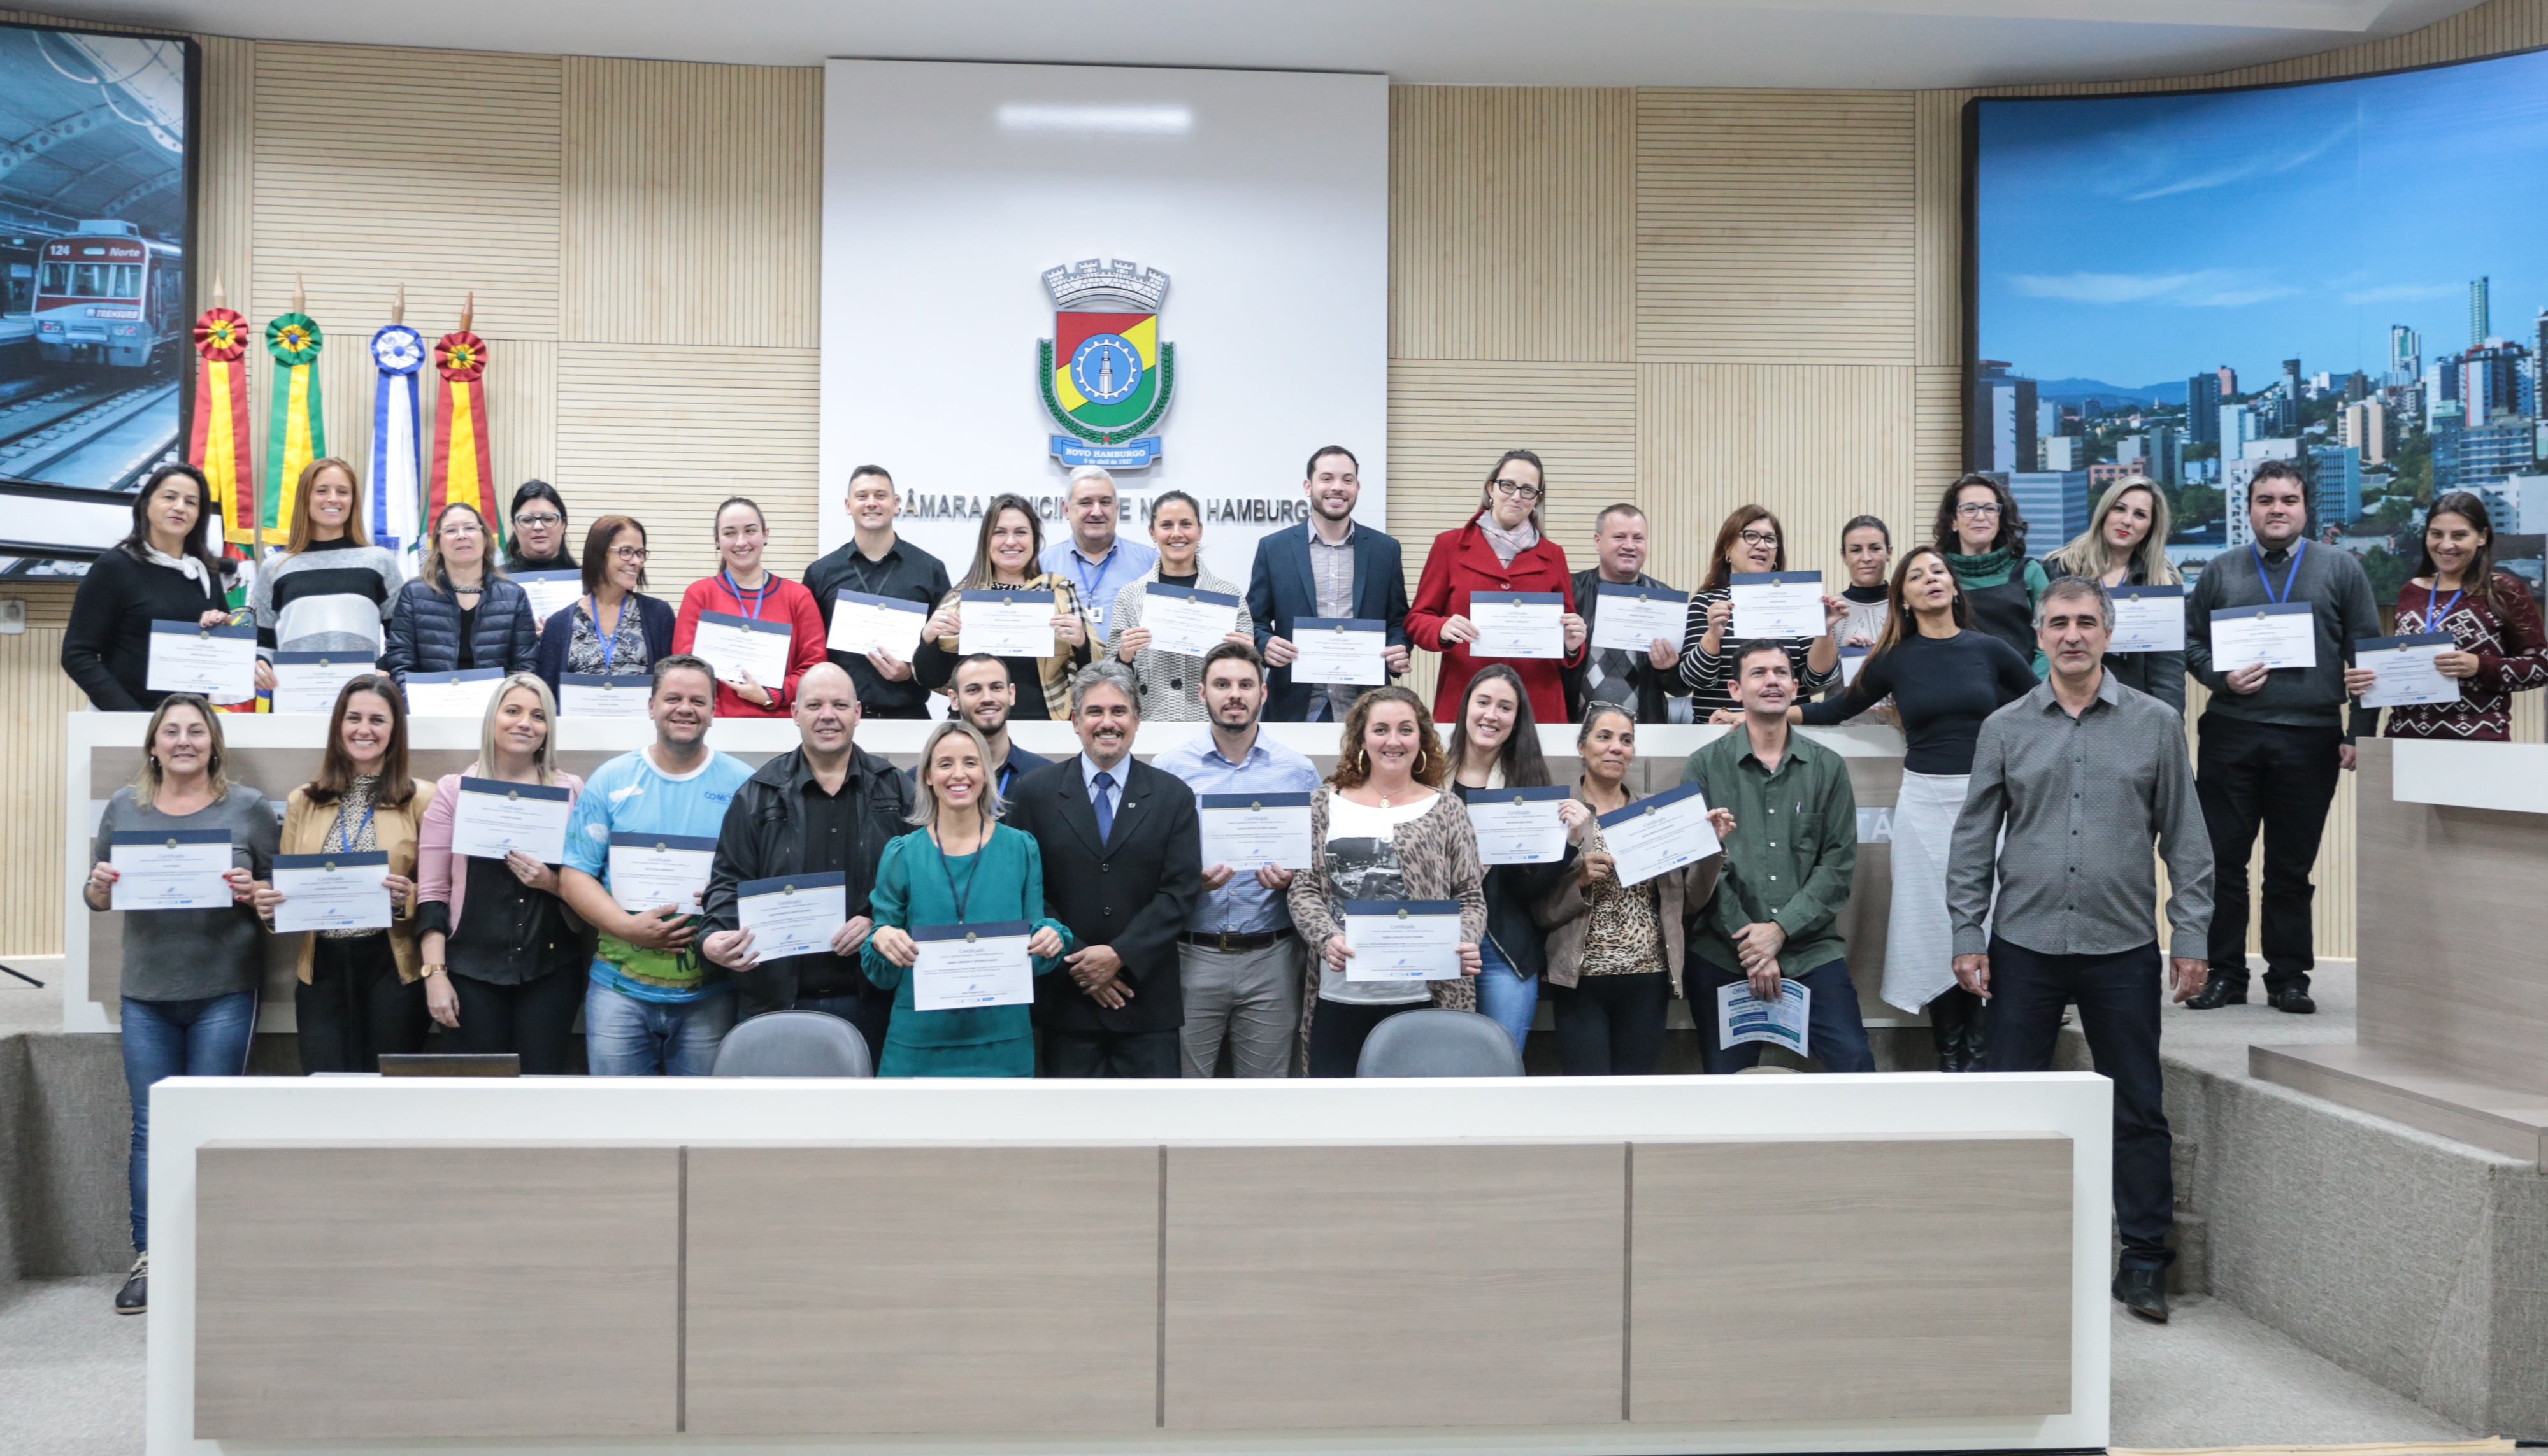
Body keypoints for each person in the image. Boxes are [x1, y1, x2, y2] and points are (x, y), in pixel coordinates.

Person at [1949, 575, 2214, 1325]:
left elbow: (2187, 843)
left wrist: (2190, 936)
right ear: (2038, 636)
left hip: (2120, 945)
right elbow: (1972, 840)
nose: (2072, 634)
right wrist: (1967, 932)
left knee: (2136, 1107)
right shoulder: (2004, 726)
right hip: (2023, 943)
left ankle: (2141, 1264)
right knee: (2012, 1105)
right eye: (2059, 622)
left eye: (2086, 622)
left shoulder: (2157, 723)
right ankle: (2012, 1248)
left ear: (2108, 633)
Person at [1797, 547, 2036, 1069]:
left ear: (1954, 586)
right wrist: (1767, 711)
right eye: (1917, 575)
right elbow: (1838, 708)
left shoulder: (1990, 650)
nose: (1931, 579)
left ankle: (1983, 1054)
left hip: (1986, 802)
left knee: (1990, 919)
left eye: (1939, 572)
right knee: (1932, 925)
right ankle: (1949, 1056)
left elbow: (2042, 703)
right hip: (1923, 803)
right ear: (1900, 596)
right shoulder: (1895, 657)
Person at [83, 694, 275, 1314]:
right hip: (146, 995)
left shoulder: (245, 809)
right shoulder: (123, 807)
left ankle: (211, 1252)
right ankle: (152, 1257)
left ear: (214, 743)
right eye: (172, 731)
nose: (185, 740)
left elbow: (282, 894)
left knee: (212, 1128)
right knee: (150, 1129)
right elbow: (100, 896)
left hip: (224, 989)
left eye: (197, 730)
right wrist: (96, 889)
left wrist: (257, 892)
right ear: (154, 744)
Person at [2182, 459, 2378, 1015]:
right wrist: (2221, 677)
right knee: (2224, 863)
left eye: (2288, 500)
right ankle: (2225, 973)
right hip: (2230, 734)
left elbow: (2365, 655)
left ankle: (2290, 978)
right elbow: (2191, 646)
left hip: (2311, 738)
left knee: (2291, 869)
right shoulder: (2220, 570)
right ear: (2248, 510)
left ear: (2305, 508)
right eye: (2265, 500)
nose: (2277, 509)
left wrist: (2359, 732)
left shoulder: (2342, 569)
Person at [699, 662, 915, 1059]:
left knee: (866, 1122)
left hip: (873, 998)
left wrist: (876, 921)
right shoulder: (758, 793)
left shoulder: (898, 790)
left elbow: (921, 887)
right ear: (795, 714)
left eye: (839, 704)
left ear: (858, 713)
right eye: (815, 705)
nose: (828, 715)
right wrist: (712, 938)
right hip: (776, 1000)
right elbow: (729, 881)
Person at [1680, 641, 1873, 1074]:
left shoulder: (1828, 767)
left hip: (1811, 950)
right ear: (1735, 690)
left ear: (1795, 686)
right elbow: (1702, 866)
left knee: (1856, 1066)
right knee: (1724, 1083)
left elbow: (1837, 866)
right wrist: (1754, 944)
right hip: (1725, 953)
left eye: (1781, 673)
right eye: (1759, 673)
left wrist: (1780, 931)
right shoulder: (1704, 767)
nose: (1772, 681)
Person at [554, 655, 754, 1074]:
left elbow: (761, 876)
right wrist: (627, 927)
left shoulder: (744, 785)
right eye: (673, 698)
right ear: (651, 707)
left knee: (702, 1128)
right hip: (618, 991)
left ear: (714, 711)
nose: (686, 708)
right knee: (618, 1125)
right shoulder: (611, 780)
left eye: (698, 700)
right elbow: (575, 875)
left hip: (711, 992)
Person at [1006, 661, 1201, 1076]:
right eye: (1095, 712)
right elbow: (1025, 890)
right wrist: (1079, 959)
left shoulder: (1173, 796)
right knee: (1072, 1138)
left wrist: (1120, 956)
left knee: (1153, 1136)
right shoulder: (1034, 793)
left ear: (1136, 720)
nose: (1107, 722)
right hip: (1065, 1002)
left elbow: (1180, 891)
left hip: (1147, 1003)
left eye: (1119, 711)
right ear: (1075, 721)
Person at [1287, 685, 1487, 1075]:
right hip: (1340, 993)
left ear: (1422, 739)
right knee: (1341, 1121)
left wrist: (1465, 941)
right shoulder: (1322, 803)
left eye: (1405, 730)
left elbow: (1470, 895)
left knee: (1419, 1122)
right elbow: (1304, 888)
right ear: (1361, 737)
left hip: (1427, 997)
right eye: (1380, 729)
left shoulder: (1448, 808)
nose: (1393, 741)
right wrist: (1327, 939)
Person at [861, 721, 1072, 1076]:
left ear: (987, 773)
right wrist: (881, 939)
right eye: (945, 764)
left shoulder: (1021, 848)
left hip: (1002, 1045)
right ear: (927, 776)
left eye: (971, 762)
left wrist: (1051, 939)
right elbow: (881, 975)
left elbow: (1036, 953)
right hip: (917, 1046)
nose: (959, 774)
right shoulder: (901, 854)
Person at [1152, 643, 1322, 1077]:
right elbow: (1150, 860)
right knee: (1184, 1089)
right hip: (1192, 955)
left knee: (1266, 1099)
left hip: (1274, 957)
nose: (1235, 695)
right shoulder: (1169, 769)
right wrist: (1189, 879)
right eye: (1222, 684)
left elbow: (1319, 865)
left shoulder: (1298, 772)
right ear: (1201, 693)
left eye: (1246, 685)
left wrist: (1294, 878)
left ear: (1263, 694)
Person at [250, 675, 436, 1073]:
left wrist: (410, 897)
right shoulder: (304, 799)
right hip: (323, 968)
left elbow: (444, 890)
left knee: (390, 1094)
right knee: (325, 1092)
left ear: (395, 730)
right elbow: (287, 888)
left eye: (377, 720)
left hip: (393, 965)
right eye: (353, 718)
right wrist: (269, 907)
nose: (364, 729)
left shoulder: (422, 797)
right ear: (338, 725)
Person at [1536, 705, 1730, 1075]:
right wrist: (1579, 880)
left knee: (1636, 1094)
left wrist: (1711, 849)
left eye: (1626, 740)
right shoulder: (1559, 814)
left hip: (1648, 976)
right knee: (1588, 1095)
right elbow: (1540, 911)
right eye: (1604, 737)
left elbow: (1689, 902)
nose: (1616, 748)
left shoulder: (1654, 816)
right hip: (1581, 980)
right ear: (1582, 746)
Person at [412, 674, 587, 1073]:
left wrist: (551, 883)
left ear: (548, 730)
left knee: (541, 1090)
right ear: (493, 719)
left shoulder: (571, 791)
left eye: (538, 715)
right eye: (513, 711)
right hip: (469, 973)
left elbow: (590, 884)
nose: (525, 723)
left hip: (551, 971)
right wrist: (435, 974)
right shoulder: (454, 791)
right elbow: (434, 891)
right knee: (477, 1097)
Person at [1443, 663, 1584, 1053]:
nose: (1491, 715)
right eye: (1483, 702)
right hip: (1438, 944)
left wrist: (1567, 844)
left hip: (1503, 950)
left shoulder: (1530, 784)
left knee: (1499, 1067)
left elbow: (1529, 891)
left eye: (1505, 707)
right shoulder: (1427, 774)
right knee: (1437, 1065)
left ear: (1517, 720)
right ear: (1465, 706)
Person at [2345, 491, 2547, 742]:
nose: (2446, 545)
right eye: (2436, 534)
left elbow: (2541, 667)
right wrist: (2369, 679)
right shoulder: (2411, 590)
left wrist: (2480, 666)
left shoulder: (2506, 590)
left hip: (2479, 747)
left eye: (2459, 535)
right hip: (2404, 741)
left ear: (2482, 537)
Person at [1407, 448, 1588, 725]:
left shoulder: (1554, 556)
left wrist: (1573, 645)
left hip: (1536, 703)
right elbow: (1417, 620)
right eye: (1508, 485)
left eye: (1528, 490)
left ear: (1537, 500)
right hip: (1467, 699)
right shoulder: (1449, 546)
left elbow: (1566, 639)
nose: (1516, 496)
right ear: (1491, 487)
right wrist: (1441, 629)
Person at [1246, 445, 1412, 722]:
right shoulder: (1274, 548)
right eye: (1327, 478)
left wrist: (1399, 647)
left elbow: (1398, 621)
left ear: (1357, 487)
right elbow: (1253, 621)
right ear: (1308, 486)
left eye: (1347, 480)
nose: (1338, 487)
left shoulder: (1386, 550)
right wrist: (1264, 644)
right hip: (1293, 705)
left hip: (1366, 709)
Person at [62, 464, 239, 712]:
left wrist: (221, 630)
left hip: (188, 726)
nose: (179, 507)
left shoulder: (205, 572)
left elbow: (217, 660)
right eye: (169, 497)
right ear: (146, 505)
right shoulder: (115, 567)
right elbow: (77, 655)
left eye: (191, 502)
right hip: (123, 723)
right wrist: (134, 718)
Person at [913, 493, 1095, 722]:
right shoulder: (961, 599)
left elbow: (1095, 675)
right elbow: (931, 679)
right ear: (986, 541)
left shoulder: (1059, 593)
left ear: (1035, 540)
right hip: (972, 729)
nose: (1011, 541)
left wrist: (1082, 643)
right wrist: (928, 640)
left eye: (1020, 532)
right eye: (1000, 533)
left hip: (1045, 727)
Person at [803, 464, 950, 720]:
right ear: (849, 505)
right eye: (862, 496)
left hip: (908, 717)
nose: (871, 503)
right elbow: (809, 653)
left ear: (896, 504)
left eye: (880, 496)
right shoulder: (820, 573)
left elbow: (947, 653)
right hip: (838, 720)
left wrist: (913, 670)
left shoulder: (930, 570)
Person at [245, 457, 404, 694]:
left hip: (362, 702)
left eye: (343, 491)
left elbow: (401, 642)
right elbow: (263, 644)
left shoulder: (379, 562)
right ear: (305, 499)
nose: (333, 499)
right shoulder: (276, 568)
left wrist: (381, 669)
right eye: (322, 491)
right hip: (295, 702)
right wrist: (260, 667)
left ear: (353, 501)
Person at [1677, 504, 1844, 719]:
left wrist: (1825, 629)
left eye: (1770, 539)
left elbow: (1817, 682)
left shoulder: (1795, 600)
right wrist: (1713, 635)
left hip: (1786, 731)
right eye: (1751, 536)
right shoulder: (1706, 603)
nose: (1762, 545)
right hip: (1719, 730)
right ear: (1727, 548)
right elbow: (1694, 679)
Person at [1106, 490, 1255, 723]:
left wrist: (1248, 656)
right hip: (1150, 718)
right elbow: (1111, 678)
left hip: (1213, 721)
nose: (1177, 534)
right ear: (1153, 533)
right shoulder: (1130, 595)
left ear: (1200, 531)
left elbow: (1250, 679)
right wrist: (1124, 656)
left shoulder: (1229, 595)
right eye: (1167, 525)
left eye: (1186, 524)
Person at [671, 496, 827, 718]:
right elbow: (685, 668)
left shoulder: (798, 597)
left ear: (766, 534)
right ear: (717, 540)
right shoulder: (700, 595)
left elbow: (814, 668)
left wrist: (771, 695)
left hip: (783, 726)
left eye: (750, 531)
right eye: (730, 533)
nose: (741, 541)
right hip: (714, 726)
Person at [2045, 476, 2186, 712]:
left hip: (2134, 713)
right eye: (2119, 509)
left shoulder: (2162, 582)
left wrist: (2167, 727)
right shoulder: (2058, 568)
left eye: (2140, 515)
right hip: (2065, 707)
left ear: (2152, 526)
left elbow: (2168, 672)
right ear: (2104, 512)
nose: (2127, 521)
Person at [380, 502, 539, 687]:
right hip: (429, 709)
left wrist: (505, 709)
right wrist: (416, 707)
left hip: (494, 711)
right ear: (438, 543)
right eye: (451, 531)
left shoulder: (514, 596)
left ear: (486, 538)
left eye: (470, 528)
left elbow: (525, 668)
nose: (462, 536)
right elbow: (400, 664)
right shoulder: (414, 595)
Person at [1566, 503, 1694, 725]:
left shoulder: (1665, 600)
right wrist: (1569, 649)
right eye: (1619, 537)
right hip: (1574, 730)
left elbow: (1681, 689)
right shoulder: (1569, 592)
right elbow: (1545, 674)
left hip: (1642, 733)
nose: (1629, 545)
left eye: (1638, 538)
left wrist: (1668, 669)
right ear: (1597, 541)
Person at [532, 515, 677, 695]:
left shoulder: (658, 615)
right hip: (578, 723)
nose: (637, 562)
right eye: (626, 552)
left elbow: (669, 687)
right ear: (599, 554)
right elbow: (548, 696)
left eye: (640, 553)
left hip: (640, 722)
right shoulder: (558, 625)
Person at [1933, 473, 2051, 671]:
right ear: (1953, 521)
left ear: (2000, 518)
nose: (1981, 517)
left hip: (2026, 693)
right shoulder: (1938, 576)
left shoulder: (2029, 572)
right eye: (1970, 509)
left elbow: (2050, 641)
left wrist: (2032, 695)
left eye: (1990, 509)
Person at [1039, 466, 1157, 640]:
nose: (1096, 512)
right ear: (1066, 509)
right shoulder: (1043, 564)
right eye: (1086, 502)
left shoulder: (1150, 563)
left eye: (1105, 502)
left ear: (1117, 508)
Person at [935, 653, 1056, 799]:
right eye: (973, 690)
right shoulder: (923, 780)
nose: (987, 698)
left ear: (1011, 694)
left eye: (996, 688)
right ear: (954, 699)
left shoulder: (1046, 778)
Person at [1829, 515, 1895, 724]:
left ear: (1889, 553)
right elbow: (1816, 684)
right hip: (1846, 734)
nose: (1866, 558)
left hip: (1905, 731)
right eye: (1856, 550)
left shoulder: (1911, 607)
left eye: (1875, 548)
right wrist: (1844, 659)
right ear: (1844, 556)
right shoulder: (1829, 612)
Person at [501, 480, 576, 574]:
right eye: (527, 520)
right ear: (515, 527)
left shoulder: (585, 580)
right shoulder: (494, 581)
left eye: (548, 519)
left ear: (563, 524)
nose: (538, 526)